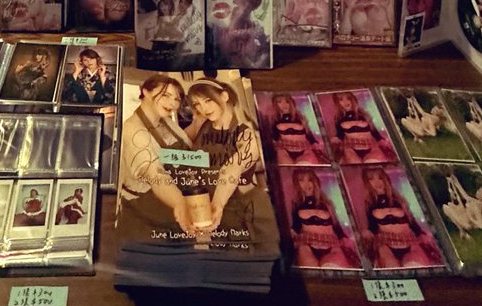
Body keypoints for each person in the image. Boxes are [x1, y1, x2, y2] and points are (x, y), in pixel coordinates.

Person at [184, 78, 269, 239]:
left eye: (208, 100)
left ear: (224, 96)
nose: (203, 108)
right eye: (197, 104)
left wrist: (217, 205)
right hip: (204, 207)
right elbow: (177, 151)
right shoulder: (202, 124)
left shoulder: (245, 133)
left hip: (236, 209)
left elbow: (231, 168)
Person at [117, 75, 196, 239]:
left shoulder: (166, 122)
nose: (172, 103)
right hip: (144, 210)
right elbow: (155, 175)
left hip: (173, 199)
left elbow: (185, 153)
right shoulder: (133, 130)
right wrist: (179, 203)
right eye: (166, 95)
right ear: (146, 91)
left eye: (176, 99)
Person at [361, 165, 440, 267]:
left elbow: (411, 221)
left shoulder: (399, 200)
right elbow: (372, 227)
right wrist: (366, 234)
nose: (377, 182)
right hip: (385, 243)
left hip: (408, 240)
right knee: (391, 265)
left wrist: (421, 234)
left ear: (385, 179)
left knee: (415, 264)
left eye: (380, 178)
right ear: (367, 183)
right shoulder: (369, 204)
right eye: (371, 179)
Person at [289, 167, 360, 268]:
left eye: (310, 179)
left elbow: (336, 226)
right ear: (297, 184)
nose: (307, 184)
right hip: (307, 244)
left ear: (315, 181)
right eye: (301, 180)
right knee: (311, 270)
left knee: (331, 267)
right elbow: (295, 227)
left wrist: (345, 239)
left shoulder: (327, 204)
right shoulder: (296, 204)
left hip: (330, 244)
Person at [211, 0, 271, 68]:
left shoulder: (243, 15)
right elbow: (232, 32)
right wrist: (249, 32)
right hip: (230, 43)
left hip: (236, 44)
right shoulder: (239, 12)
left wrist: (252, 30)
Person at [328, 90, 394, 164]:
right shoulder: (339, 118)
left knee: (372, 163)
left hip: (370, 148)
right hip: (351, 149)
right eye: (341, 99)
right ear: (338, 102)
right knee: (355, 164)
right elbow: (340, 135)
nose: (345, 102)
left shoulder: (364, 115)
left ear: (352, 99)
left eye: (348, 98)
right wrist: (334, 141)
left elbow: (374, 131)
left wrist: (381, 140)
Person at [270, 93, 326, 164]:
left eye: (287, 101)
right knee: (287, 166)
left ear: (291, 102)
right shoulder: (275, 120)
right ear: (275, 104)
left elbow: (308, 134)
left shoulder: (301, 118)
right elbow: (274, 138)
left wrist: (315, 143)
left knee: (305, 165)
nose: (284, 104)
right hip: (285, 151)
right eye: (279, 102)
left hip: (303, 151)